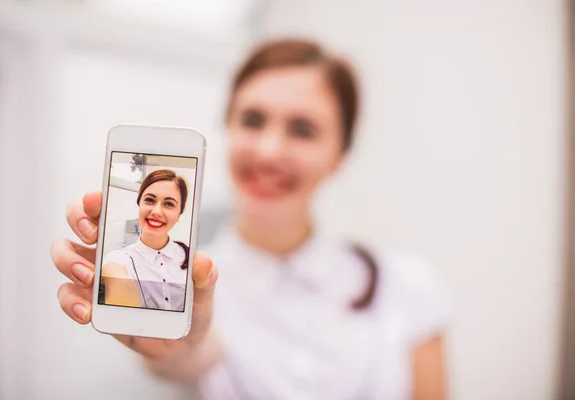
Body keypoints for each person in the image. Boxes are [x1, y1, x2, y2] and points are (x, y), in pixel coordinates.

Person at [51, 38, 451, 399]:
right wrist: (173, 352)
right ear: (228, 128)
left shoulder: (408, 286)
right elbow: (184, 358)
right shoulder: (182, 283)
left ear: (339, 155)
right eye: (253, 120)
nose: (269, 151)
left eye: (303, 130)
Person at [100, 168, 190, 311]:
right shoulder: (117, 259)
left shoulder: (191, 259)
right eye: (149, 200)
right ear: (139, 205)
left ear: (179, 214)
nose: (156, 211)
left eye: (169, 204)